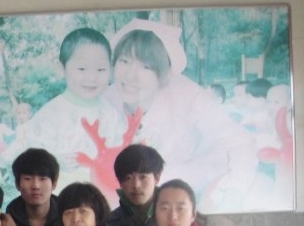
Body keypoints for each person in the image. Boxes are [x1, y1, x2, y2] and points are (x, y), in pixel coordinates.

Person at [105, 19, 257, 212]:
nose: (131, 76)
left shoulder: (188, 96)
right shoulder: (105, 99)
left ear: (164, 74)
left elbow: (241, 143)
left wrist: (235, 191)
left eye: (146, 67)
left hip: (193, 176)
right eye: (124, 61)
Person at [3, 28, 124, 188]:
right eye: (82, 69)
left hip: (102, 193)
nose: (92, 77)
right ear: (61, 68)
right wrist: (55, 160)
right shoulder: (50, 113)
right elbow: (32, 157)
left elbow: (121, 152)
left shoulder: (112, 113)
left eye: (101, 69)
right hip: (61, 194)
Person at [5, 148, 62, 226]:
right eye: (28, 178)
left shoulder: (65, 217)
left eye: (42, 179)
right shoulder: (7, 222)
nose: (36, 186)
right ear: (17, 184)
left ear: (54, 184)